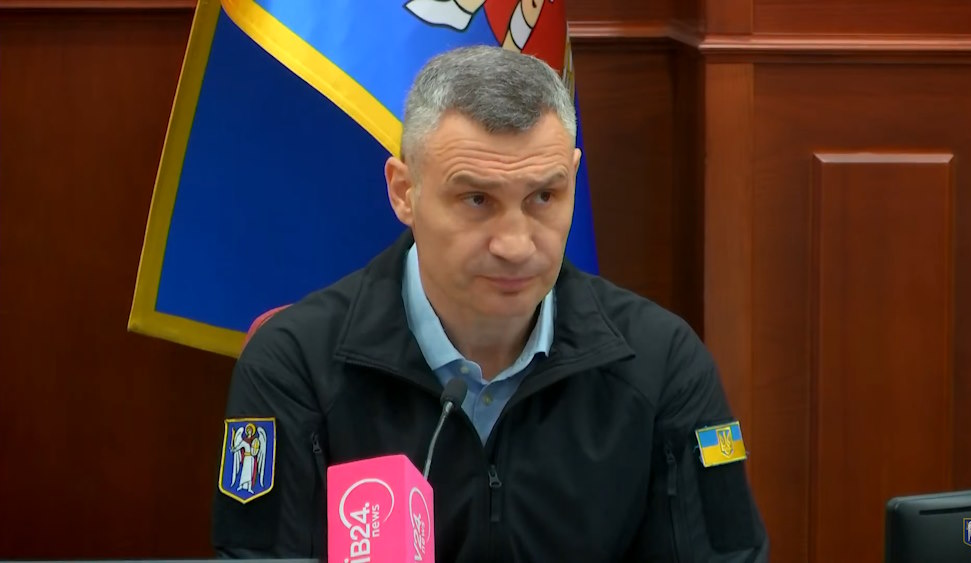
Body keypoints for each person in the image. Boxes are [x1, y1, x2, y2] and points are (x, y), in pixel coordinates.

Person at [212, 45, 769, 561]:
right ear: (404, 192)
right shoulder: (295, 363)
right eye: (477, 199)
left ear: (574, 181)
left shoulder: (661, 362)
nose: (516, 245)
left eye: (544, 196)